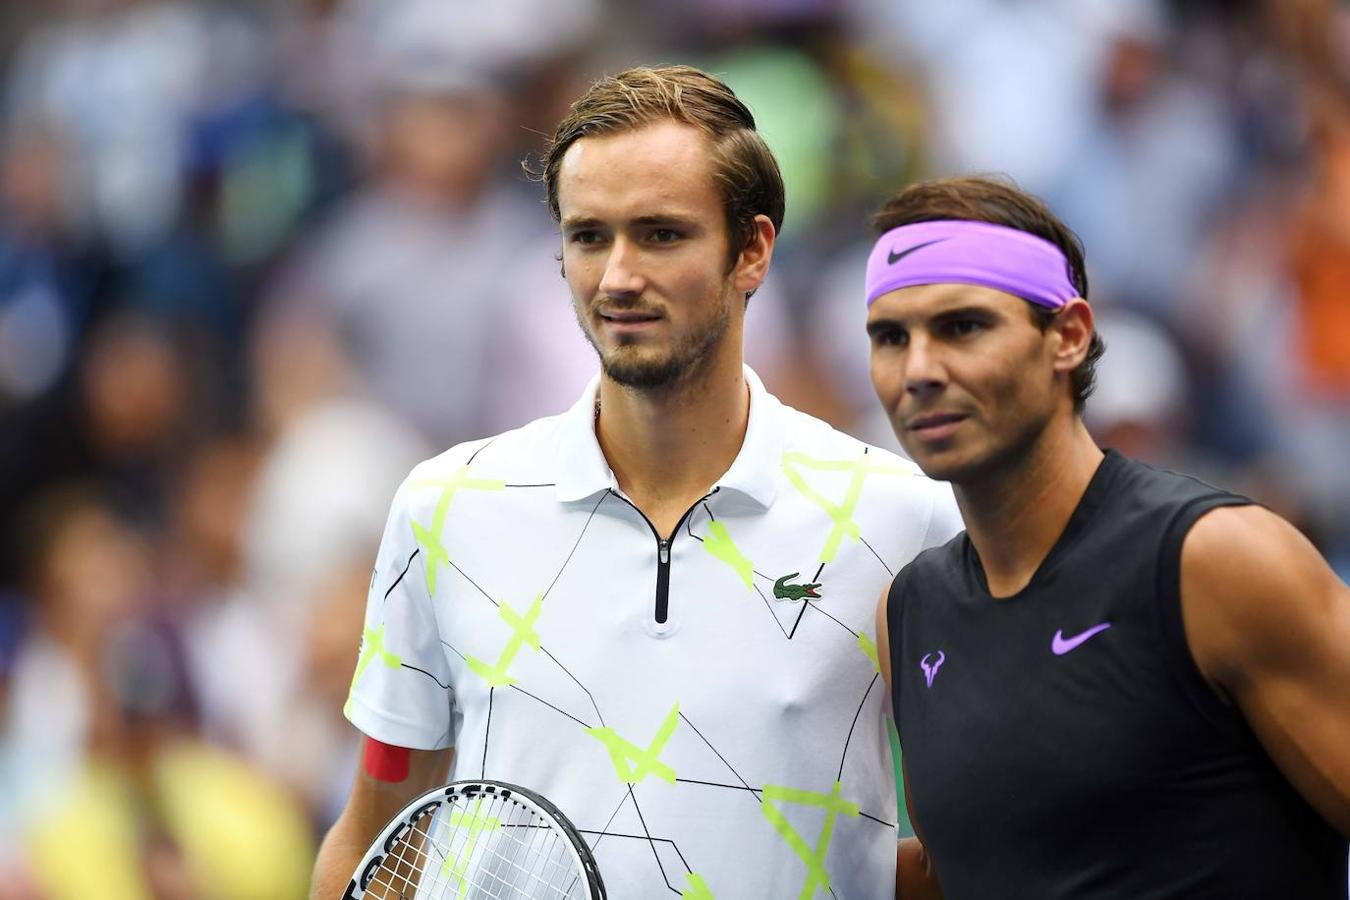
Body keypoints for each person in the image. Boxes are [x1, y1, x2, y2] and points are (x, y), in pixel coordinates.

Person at [309, 65, 963, 898]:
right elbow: (374, 841)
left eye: (660, 234)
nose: (617, 276)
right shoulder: (443, 509)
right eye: (588, 237)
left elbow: (972, 850)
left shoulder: (903, 518)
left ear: (752, 250)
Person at [866, 175, 1350, 897]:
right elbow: (968, 865)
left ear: (1068, 336)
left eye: (962, 326)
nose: (919, 371)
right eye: (890, 338)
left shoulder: (1216, 560)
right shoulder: (910, 609)